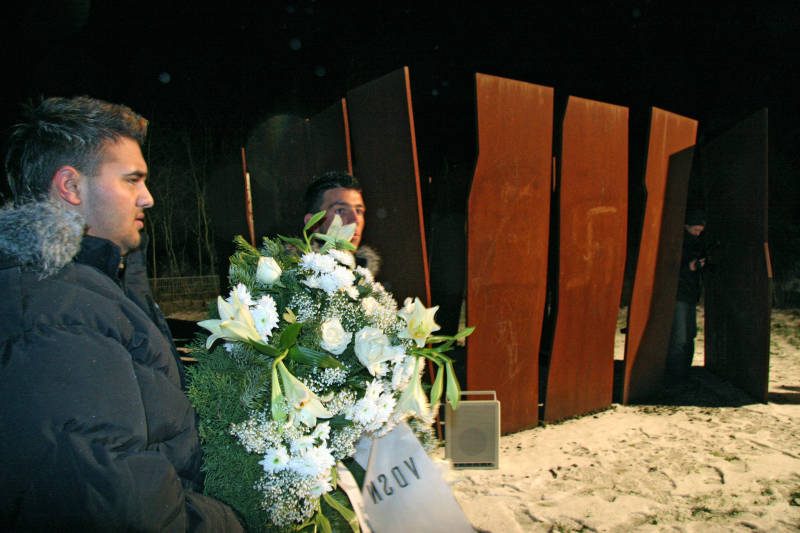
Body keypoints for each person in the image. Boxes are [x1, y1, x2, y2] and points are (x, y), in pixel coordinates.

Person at [0, 96, 242, 531]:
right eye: (132, 180)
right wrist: (240, 520)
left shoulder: (93, 289)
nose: (148, 198)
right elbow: (122, 513)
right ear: (71, 186)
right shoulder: (56, 316)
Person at [302, 170, 380, 275]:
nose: (355, 220)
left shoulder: (365, 278)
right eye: (340, 210)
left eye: (358, 211)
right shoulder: (293, 276)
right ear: (314, 224)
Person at [665, 208, 708, 385]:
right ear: (687, 226)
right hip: (680, 294)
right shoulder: (678, 242)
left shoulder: (694, 243)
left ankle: (682, 374)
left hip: (689, 294)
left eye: (700, 231)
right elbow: (670, 267)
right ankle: (675, 376)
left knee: (688, 335)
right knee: (680, 337)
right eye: (696, 230)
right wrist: (688, 267)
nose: (698, 234)